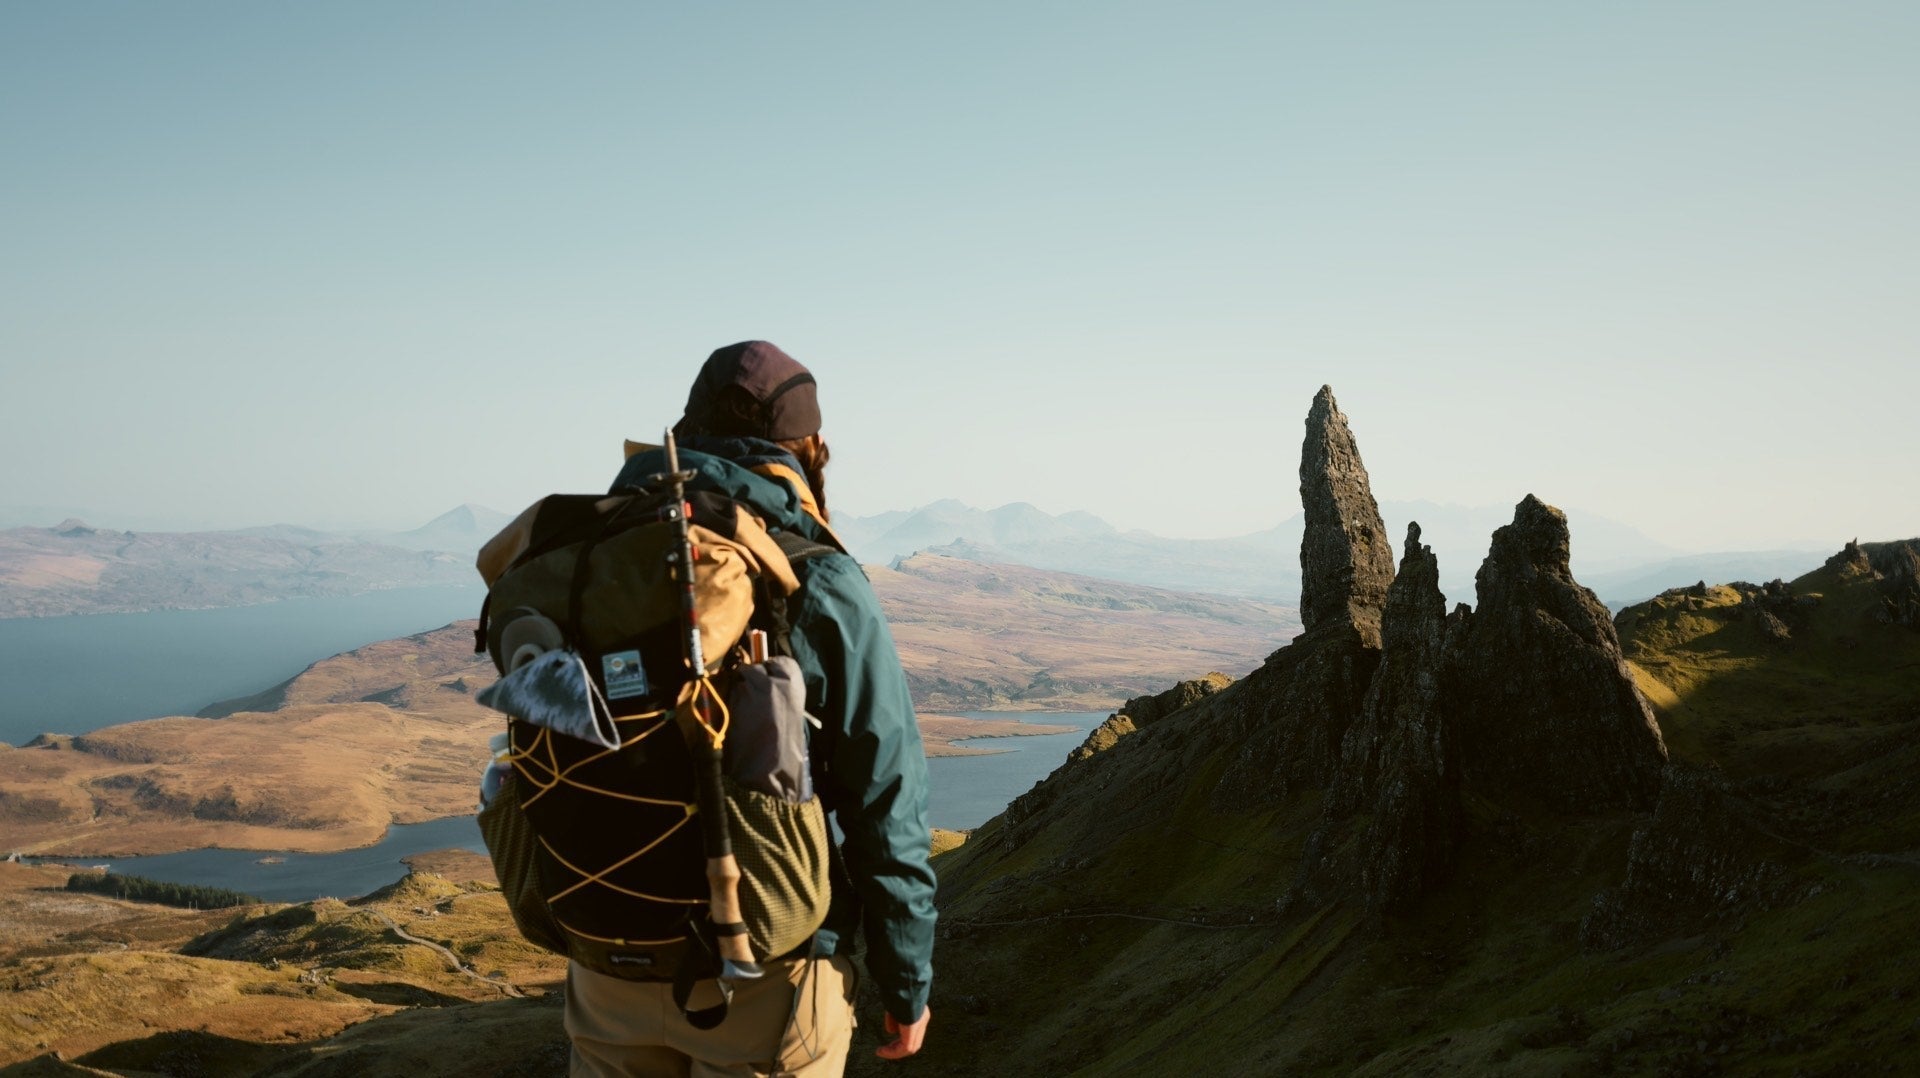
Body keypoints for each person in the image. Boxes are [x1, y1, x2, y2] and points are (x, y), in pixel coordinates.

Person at [563, 341, 936, 1077]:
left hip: (607, 964)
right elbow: (884, 798)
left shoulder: (594, 557)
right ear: (809, 449)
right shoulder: (813, 575)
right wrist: (906, 979)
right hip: (766, 969)